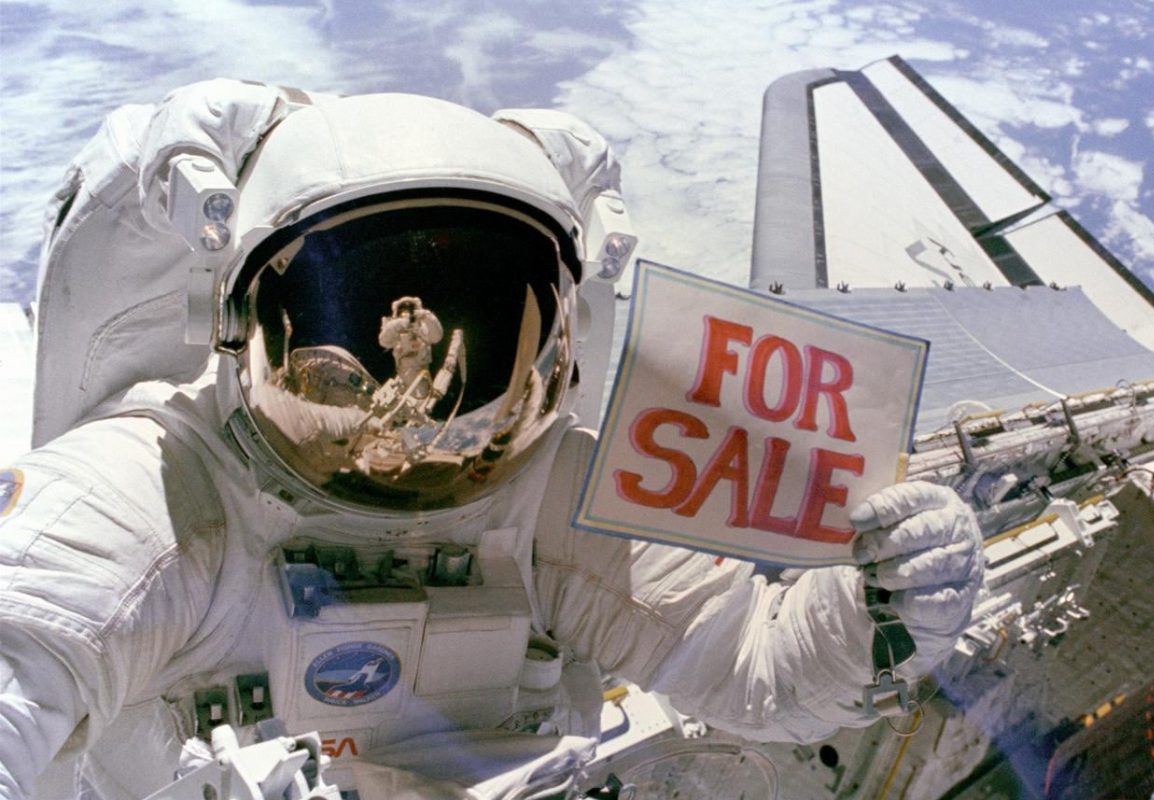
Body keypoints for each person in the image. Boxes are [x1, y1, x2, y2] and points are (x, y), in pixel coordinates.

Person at [0, 80, 984, 799]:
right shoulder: (152, 498)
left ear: (562, 340)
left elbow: (750, 668)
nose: (412, 433)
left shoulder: (548, 496)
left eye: (470, 336)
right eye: (361, 323)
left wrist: (876, 614)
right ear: (236, 326)